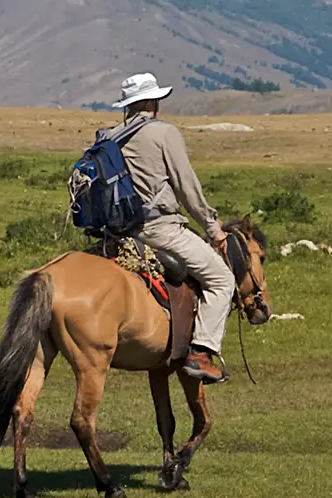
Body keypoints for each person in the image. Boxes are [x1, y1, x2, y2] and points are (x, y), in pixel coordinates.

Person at [100, 72, 235, 384]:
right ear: (150, 102)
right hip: (159, 229)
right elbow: (187, 188)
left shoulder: (111, 137)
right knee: (222, 280)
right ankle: (200, 354)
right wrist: (213, 229)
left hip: (119, 234)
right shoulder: (164, 133)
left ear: (128, 106)